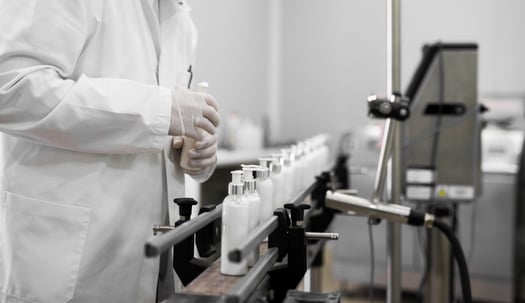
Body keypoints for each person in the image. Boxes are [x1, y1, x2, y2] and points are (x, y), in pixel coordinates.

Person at [0, 1, 220, 302]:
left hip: (158, 257)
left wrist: (198, 153)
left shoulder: (178, 17)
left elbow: (161, 126)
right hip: (71, 261)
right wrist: (161, 110)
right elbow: (11, 88)